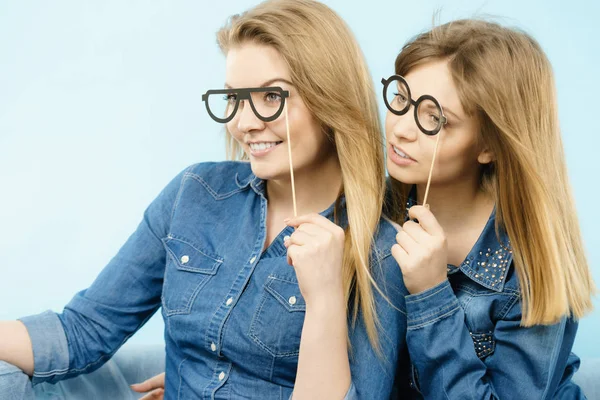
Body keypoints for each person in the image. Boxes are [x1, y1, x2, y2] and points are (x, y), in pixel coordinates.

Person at [0, 1, 409, 399]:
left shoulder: (380, 251)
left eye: (272, 98)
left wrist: (323, 299)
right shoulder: (194, 193)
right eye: (234, 98)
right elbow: (83, 332)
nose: (245, 124)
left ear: (331, 99)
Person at [383, 19, 595, 399]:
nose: (401, 128)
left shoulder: (529, 268)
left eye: (435, 119)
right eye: (401, 99)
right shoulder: (377, 211)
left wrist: (431, 293)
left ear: (488, 147)